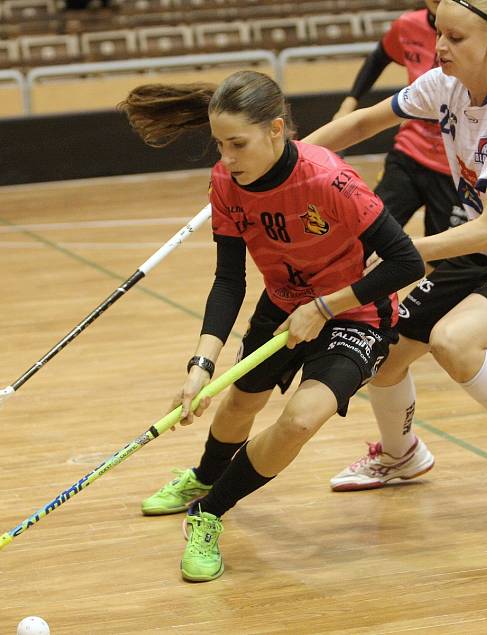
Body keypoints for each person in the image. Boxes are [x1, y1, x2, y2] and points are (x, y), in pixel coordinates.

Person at [119, 71, 425, 582]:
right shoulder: (224, 183)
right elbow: (228, 281)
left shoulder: (329, 180)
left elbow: (405, 262)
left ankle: (209, 513)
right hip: (282, 303)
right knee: (240, 401)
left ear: (276, 130)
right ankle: (203, 477)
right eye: (219, 144)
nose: (227, 158)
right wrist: (200, 365)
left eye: (237, 144)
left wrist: (325, 307)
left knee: (301, 420)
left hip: (354, 312)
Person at [304, 0, 487, 533]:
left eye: (456, 39)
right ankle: (401, 455)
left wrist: (401, 250)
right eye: (440, 34)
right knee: (385, 353)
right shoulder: (445, 85)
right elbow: (364, 122)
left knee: (453, 342)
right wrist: (287, 159)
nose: (440, 49)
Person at [333, 0, 467, 235]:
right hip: (409, 152)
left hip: (456, 166)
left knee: (443, 260)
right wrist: (350, 102)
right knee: (368, 236)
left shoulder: (477, 32)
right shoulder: (407, 25)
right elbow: (378, 58)